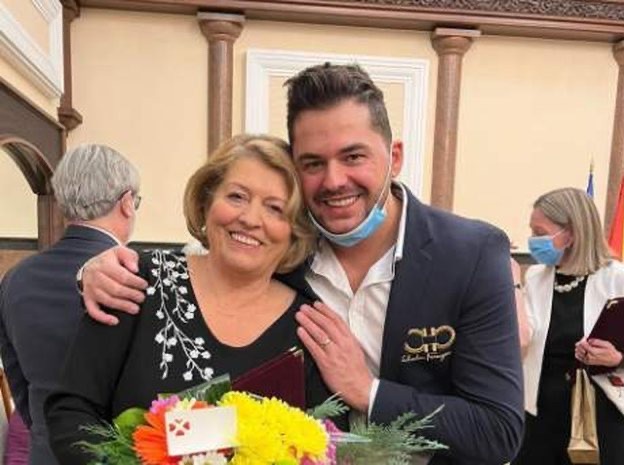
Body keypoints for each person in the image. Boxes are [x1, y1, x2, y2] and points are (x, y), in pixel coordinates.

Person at [78, 64, 524, 464]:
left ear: (394, 157)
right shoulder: (283, 248)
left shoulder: (470, 254)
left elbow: (498, 432)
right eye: (313, 163)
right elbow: (209, 266)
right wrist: (94, 268)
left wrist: (367, 391)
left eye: (353, 156)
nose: (334, 180)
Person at [44, 135, 333, 465]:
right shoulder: (137, 280)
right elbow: (72, 410)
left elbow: (326, 444)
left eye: (275, 208)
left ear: (294, 230)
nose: (251, 219)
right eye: (237, 196)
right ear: (206, 201)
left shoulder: (308, 324)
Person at [0, 144, 140, 464]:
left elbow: (19, 386)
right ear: (127, 203)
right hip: (120, 454)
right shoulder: (134, 275)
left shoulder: (16, 279)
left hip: (47, 451)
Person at [513, 187, 624, 465]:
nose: (532, 241)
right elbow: (522, 338)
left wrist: (621, 358)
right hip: (540, 414)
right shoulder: (535, 277)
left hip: (601, 415)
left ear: (571, 233)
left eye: (539, 232)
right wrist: (511, 284)